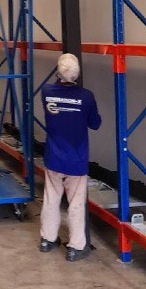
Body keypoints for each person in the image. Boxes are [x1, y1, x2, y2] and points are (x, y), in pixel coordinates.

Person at [39, 53, 102, 262]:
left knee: (51, 199)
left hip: (53, 157)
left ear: (57, 72)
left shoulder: (46, 92)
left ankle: (47, 240)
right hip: (76, 160)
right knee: (76, 204)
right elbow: (95, 124)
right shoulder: (86, 96)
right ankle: (75, 247)